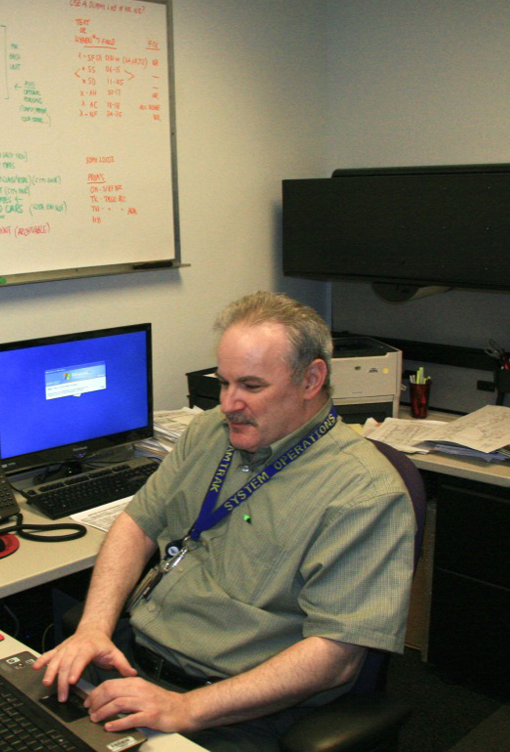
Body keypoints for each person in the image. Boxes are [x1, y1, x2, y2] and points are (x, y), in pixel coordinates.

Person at [34, 291, 415, 751]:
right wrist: (93, 628)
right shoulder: (210, 431)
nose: (230, 403)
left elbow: (335, 658)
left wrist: (184, 709)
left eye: (251, 387)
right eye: (224, 382)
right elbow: (138, 524)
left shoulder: (363, 493)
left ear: (312, 379)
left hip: (234, 709)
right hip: (132, 661)